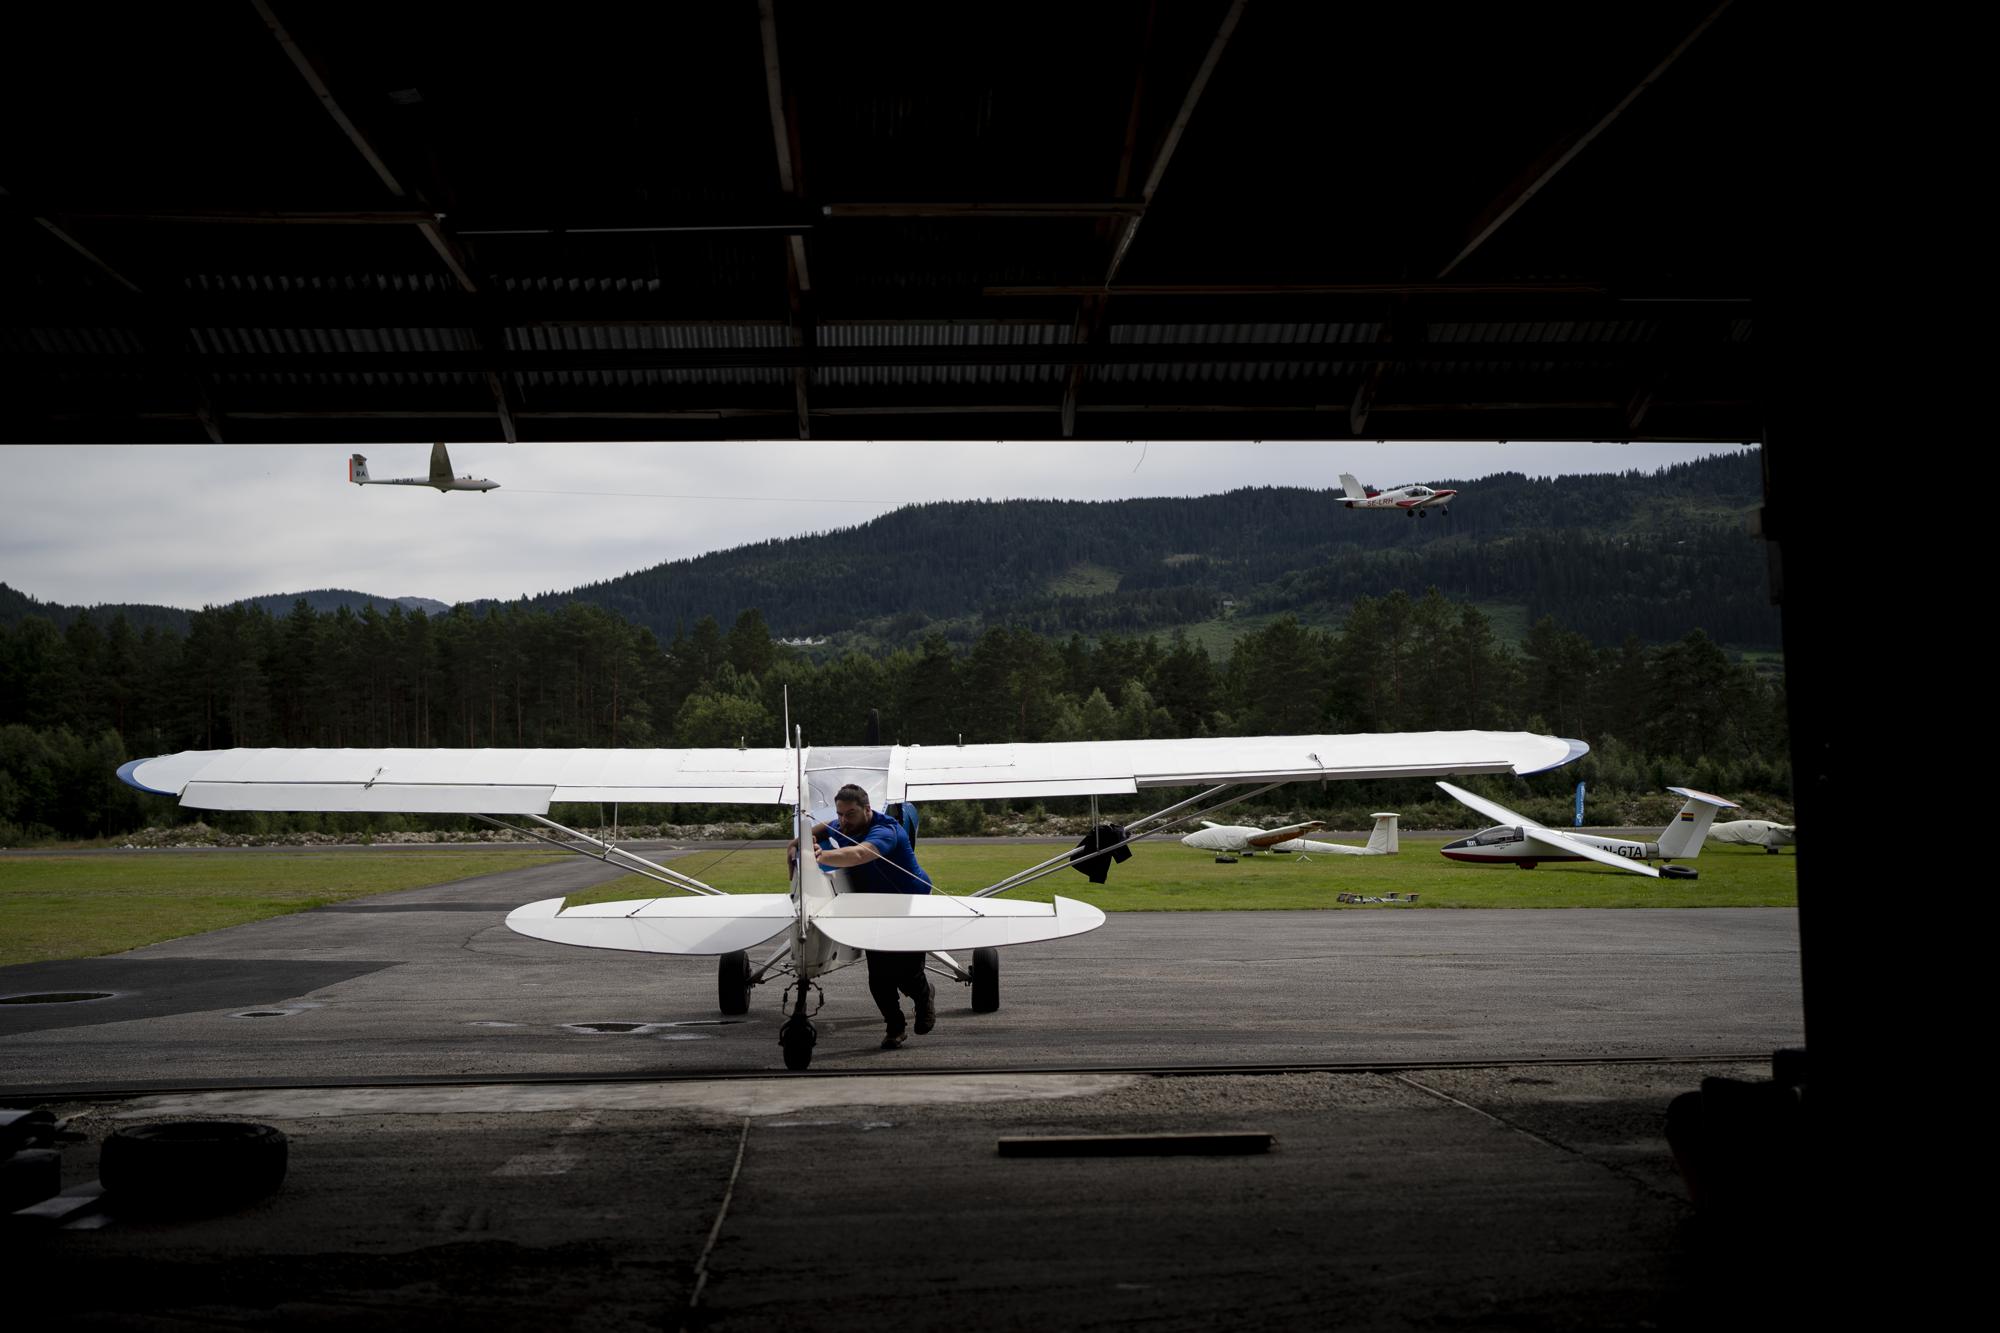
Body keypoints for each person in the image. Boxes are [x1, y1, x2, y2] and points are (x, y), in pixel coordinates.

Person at [809, 784, 937, 1049]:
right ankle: (895, 1027)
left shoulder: (886, 830)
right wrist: (800, 842)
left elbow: (860, 854)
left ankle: (924, 997)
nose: (843, 820)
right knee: (879, 978)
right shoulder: (845, 824)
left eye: (851, 813)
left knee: (908, 975)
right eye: (840, 814)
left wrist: (821, 854)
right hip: (871, 907)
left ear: (868, 810)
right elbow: (819, 829)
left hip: (907, 906)